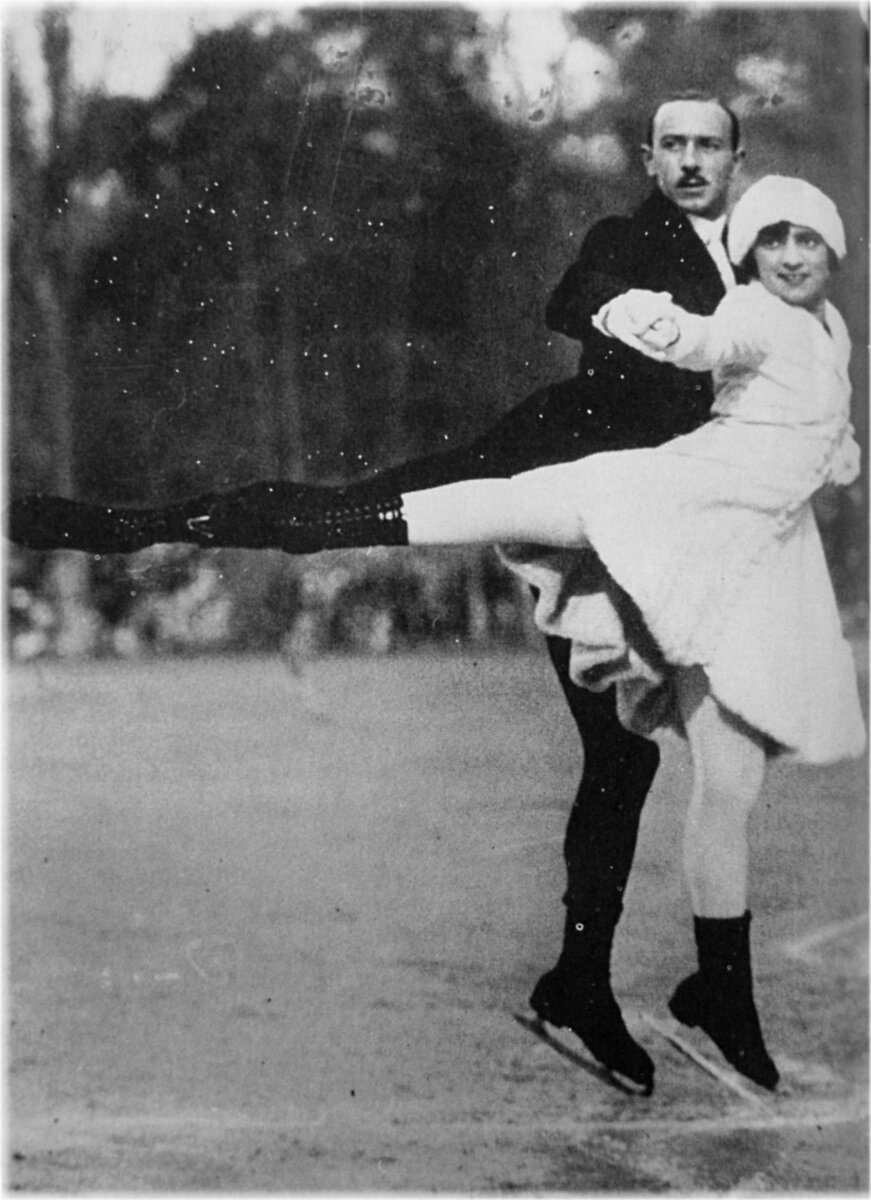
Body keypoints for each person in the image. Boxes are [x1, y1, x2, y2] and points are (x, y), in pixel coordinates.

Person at [8, 175, 864, 1092]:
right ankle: (145, 522)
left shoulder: (828, 333)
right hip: (638, 502)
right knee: (398, 515)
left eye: (805, 243)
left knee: (726, 778)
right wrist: (618, 307)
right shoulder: (751, 314)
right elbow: (698, 339)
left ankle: (715, 994)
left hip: (722, 554)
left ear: (833, 253)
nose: (787, 257)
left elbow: (814, 430)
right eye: (771, 241)